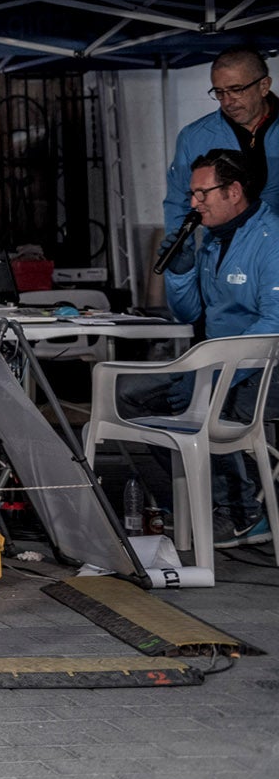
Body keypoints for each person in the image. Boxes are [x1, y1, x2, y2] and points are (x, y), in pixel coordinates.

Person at [145, 148, 276, 546]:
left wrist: (219, 374)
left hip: (267, 365)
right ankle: (192, 501)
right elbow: (189, 313)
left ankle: (241, 512)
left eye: (203, 193)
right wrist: (181, 271)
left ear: (234, 191)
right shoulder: (211, 242)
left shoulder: (270, 241)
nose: (194, 203)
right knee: (132, 398)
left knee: (199, 400)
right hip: (218, 360)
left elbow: (274, 324)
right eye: (192, 195)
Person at [166, 48, 279, 230]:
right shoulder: (193, 137)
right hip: (222, 252)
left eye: (236, 90)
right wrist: (178, 250)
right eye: (219, 92)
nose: (227, 101)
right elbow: (179, 202)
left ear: (264, 86)